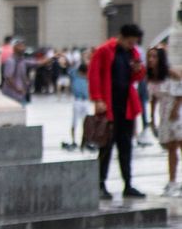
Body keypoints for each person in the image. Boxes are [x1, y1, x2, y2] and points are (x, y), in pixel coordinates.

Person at [90, 23, 146, 199]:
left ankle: (127, 184)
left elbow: (137, 76)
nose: (132, 46)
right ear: (121, 37)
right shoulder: (104, 50)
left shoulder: (133, 53)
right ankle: (100, 184)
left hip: (126, 106)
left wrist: (138, 70)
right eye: (130, 42)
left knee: (126, 146)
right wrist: (98, 99)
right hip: (109, 106)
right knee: (106, 146)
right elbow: (94, 74)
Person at [154, 49, 182, 195]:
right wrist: (152, 119)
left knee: (179, 145)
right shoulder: (153, 77)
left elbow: (180, 93)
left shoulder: (172, 73)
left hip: (176, 114)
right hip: (164, 114)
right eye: (149, 57)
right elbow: (153, 98)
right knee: (170, 147)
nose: (151, 60)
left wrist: (175, 110)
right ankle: (172, 181)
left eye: (154, 57)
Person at [63, 51, 90, 152]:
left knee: (86, 122)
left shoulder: (87, 76)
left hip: (85, 101)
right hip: (77, 101)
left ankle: (85, 140)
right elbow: (70, 66)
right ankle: (74, 140)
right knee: (74, 122)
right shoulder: (75, 74)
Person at [0, 38, 31, 106]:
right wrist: (17, 88)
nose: (23, 48)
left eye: (23, 46)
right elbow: (8, 77)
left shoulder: (2, 49)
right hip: (13, 92)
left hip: (17, 90)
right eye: (20, 46)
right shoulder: (12, 59)